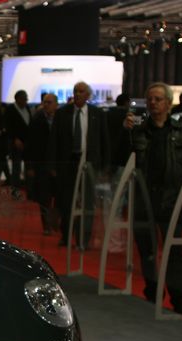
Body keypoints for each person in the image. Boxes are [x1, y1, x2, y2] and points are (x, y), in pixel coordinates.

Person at [123, 82, 182, 314]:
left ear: (168, 103)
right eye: (150, 99)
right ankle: (152, 292)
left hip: (173, 201)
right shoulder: (137, 132)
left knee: (173, 252)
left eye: (158, 99)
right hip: (143, 200)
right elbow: (122, 161)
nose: (153, 103)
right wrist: (124, 132)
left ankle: (178, 299)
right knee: (146, 251)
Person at [48, 81, 109, 247]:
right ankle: (66, 236)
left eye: (81, 91)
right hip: (67, 164)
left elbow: (104, 140)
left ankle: (84, 239)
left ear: (88, 95)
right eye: (75, 91)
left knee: (88, 202)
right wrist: (53, 166)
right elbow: (54, 141)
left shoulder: (97, 114)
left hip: (89, 163)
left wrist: (104, 166)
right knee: (66, 202)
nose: (77, 94)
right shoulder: (62, 114)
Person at [25, 93, 59, 234]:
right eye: (44, 102)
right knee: (44, 197)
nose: (46, 105)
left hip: (58, 164)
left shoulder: (61, 119)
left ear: (56, 104)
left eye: (49, 102)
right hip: (41, 164)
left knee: (58, 195)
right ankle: (46, 226)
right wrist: (30, 166)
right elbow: (31, 144)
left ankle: (56, 223)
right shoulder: (37, 119)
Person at [5, 89, 32, 193]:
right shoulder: (10, 109)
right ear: (17, 99)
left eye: (26, 99)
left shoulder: (27, 108)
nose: (26, 101)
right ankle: (15, 189)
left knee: (28, 166)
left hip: (27, 142)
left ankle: (28, 188)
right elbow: (8, 126)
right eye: (24, 99)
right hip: (16, 142)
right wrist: (15, 138)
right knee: (16, 167)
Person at [106, 93, 131, 168]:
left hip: (109, 147)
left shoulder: (108, 113)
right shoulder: (127, 115)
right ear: (126, 102)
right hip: (123, 148)